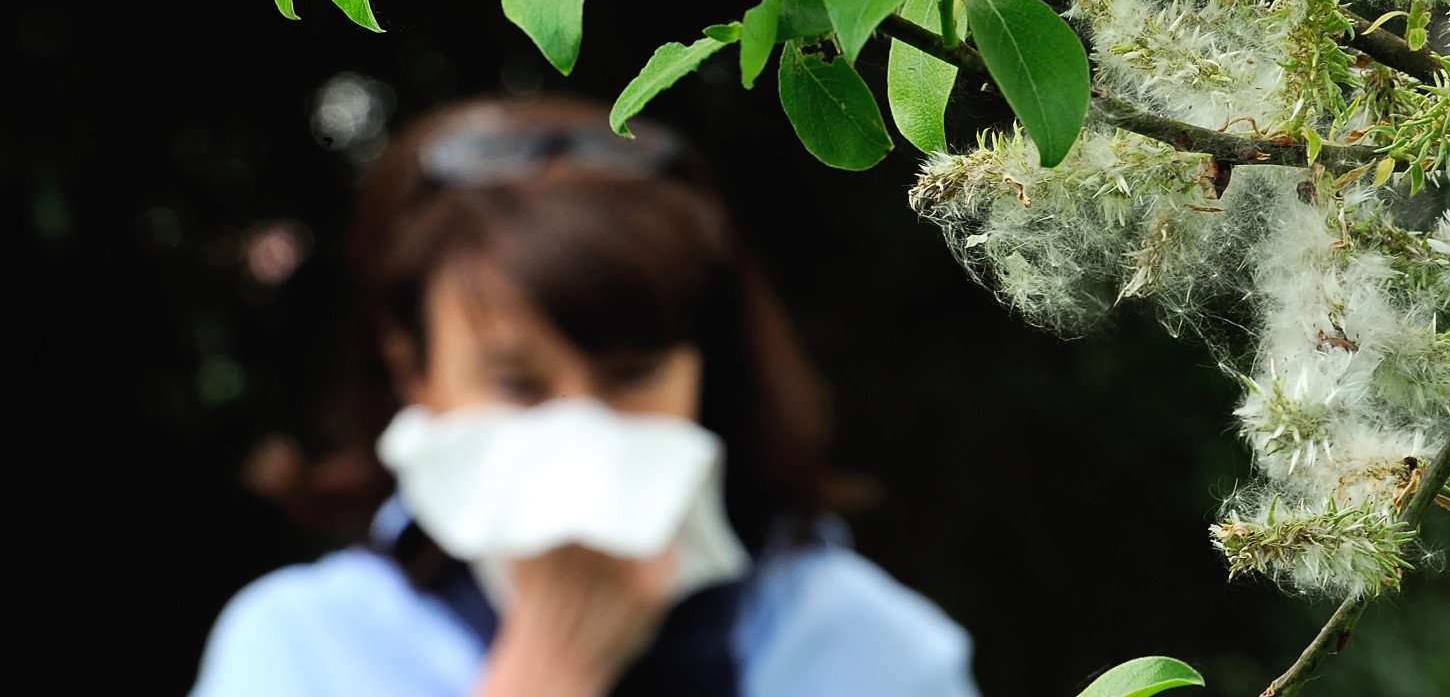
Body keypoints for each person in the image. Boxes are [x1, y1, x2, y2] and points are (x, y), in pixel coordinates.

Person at [190, 96, 978, 697]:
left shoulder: (872, 653)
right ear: (412, 369)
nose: (579, 427)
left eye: (629, 375)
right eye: (517, 385)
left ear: (702, 367)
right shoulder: (299, 653)